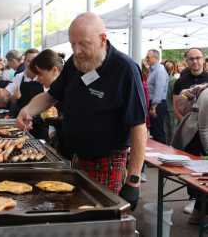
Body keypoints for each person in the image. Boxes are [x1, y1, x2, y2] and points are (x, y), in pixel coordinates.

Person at [17, 12, 147, 208]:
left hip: (108, 162)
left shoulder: (125, 69)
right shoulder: (74, 63)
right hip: (77, 158)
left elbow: (138, 127)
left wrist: (133, 180)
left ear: (103, 39)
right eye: (72, 44)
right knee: (77, 210)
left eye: (83, 44)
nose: (76, 51)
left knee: (102, 218)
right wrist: (28, 110)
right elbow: (50, 95)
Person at [172, 84, 208, 224]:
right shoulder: (207, 95)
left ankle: (199, 213)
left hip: (203, 134)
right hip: (195, 136)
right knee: (201, 178)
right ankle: (197, 212)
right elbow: (203, 128)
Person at [173, 48, 208, 122]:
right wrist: (185, 123)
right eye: (191, 59)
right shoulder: (179, 81)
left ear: (203, 60)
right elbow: (175, 106)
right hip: (186, 125)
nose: (195, 61)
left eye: (198, 58)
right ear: (187, 61)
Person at [146, 49, 169, 144]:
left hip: (157, 104)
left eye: (148, 57)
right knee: (154, 131)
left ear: (155, 58)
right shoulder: (152, 70)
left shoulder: (159, 70)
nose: (146, 59)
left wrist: (153, 107)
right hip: (154, 103)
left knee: (158, 132)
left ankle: (161, 154)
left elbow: (159, 90)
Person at [164, 60, 178, 145]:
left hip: (170, 108)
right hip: (169, 108)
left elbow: (174, 95)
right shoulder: (172, 80)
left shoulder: (173, 80)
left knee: (170, 130)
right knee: (169, 129)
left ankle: (171, 146)